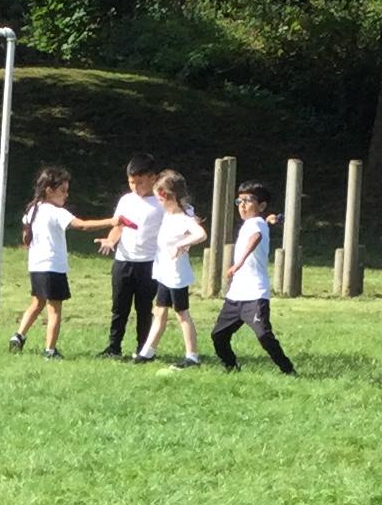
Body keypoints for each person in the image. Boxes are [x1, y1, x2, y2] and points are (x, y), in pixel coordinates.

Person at [9, 166, 100, 356]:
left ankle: (18, 336)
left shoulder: (33, 209)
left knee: (37, 303)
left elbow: (26, 233)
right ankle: (50, 350)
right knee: (55, 310)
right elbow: (82, 226)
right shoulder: (57, 212)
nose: (66, 195)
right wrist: (112, 221)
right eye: (63, 191)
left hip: (36, 266)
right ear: (49, 190)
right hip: (53, 268)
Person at [213, 181, 295, 374]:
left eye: (248, 201)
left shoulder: (256, 224)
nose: (242, 205)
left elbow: (256, 237)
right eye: (239, 201)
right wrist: (269, 219)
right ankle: (231, 368)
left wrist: (239, 262)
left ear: (261, 205)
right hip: (236, 295)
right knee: (218, 335)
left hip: (255, 294)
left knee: (264, 335)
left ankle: (288, 370)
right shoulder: (255, 222)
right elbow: (260, 225)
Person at [139, 171, 208, 367]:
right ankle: (147, 352)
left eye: (159, 198)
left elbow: (201, 234)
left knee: (181, 313)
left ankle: (192, 356)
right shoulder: (169, 215)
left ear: (166, 195)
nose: (158, 202)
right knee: (160, 311)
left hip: (177, 275)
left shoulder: (183, 218)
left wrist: (181, 244)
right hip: (164, 273)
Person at [99, 154, 163, 358]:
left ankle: (143, 349)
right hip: (124, 261)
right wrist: (111, 241)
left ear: (153, 178)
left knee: (144, 308)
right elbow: (118, 226)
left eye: (140, 182)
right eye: (131, 182)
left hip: (149, 263)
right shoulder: (126, 200)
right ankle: (113, 347)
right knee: (119, 307)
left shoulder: (161, 202)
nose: (135, 187)